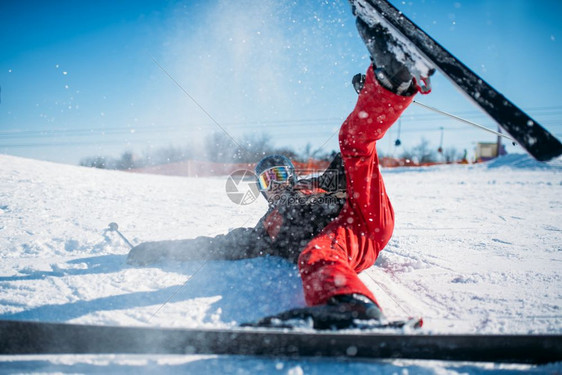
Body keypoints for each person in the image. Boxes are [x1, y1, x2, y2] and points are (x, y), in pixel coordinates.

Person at [127, 17, 433, 329]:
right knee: (315, 253)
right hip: (351, 237)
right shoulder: (266, 228)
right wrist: (165, 249)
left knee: (351, 141)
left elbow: (346, 168)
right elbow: (219, 245)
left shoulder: (312, 184)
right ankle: (349, 306)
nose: (274, 185)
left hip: (361, 209)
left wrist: (365, 97)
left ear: (290, 175)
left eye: (279, 176)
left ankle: (390, 81)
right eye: (266, 180)